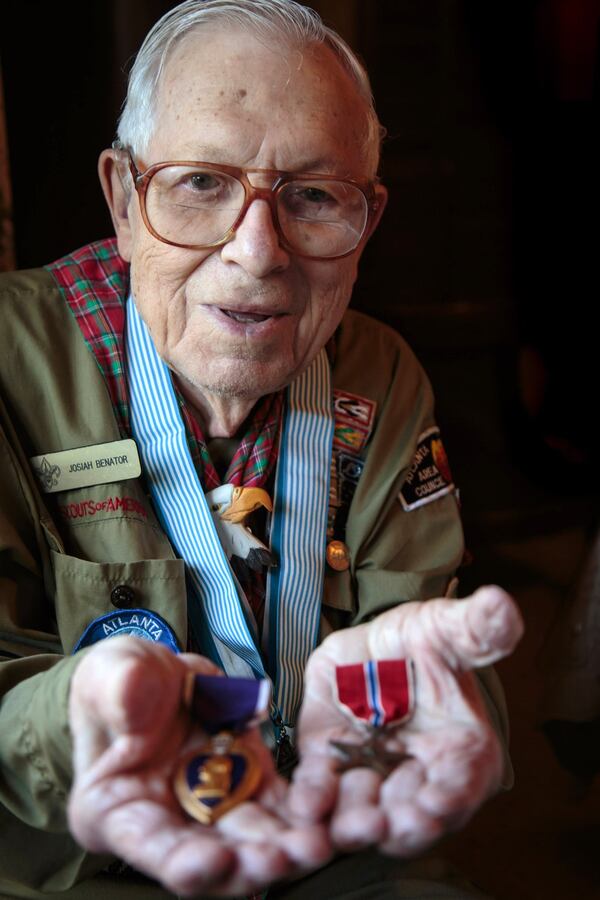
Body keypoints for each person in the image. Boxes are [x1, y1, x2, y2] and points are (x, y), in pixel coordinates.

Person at [0, 1, 523, 897]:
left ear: (369, 222)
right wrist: (80, 719)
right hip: (79, 858)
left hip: (327, 825)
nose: (257, 253)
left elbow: (416, 635)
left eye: (314, 196)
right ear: (125, 200)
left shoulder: (382, 377)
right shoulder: (12, 359)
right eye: (202, 183)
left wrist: (403, 699)